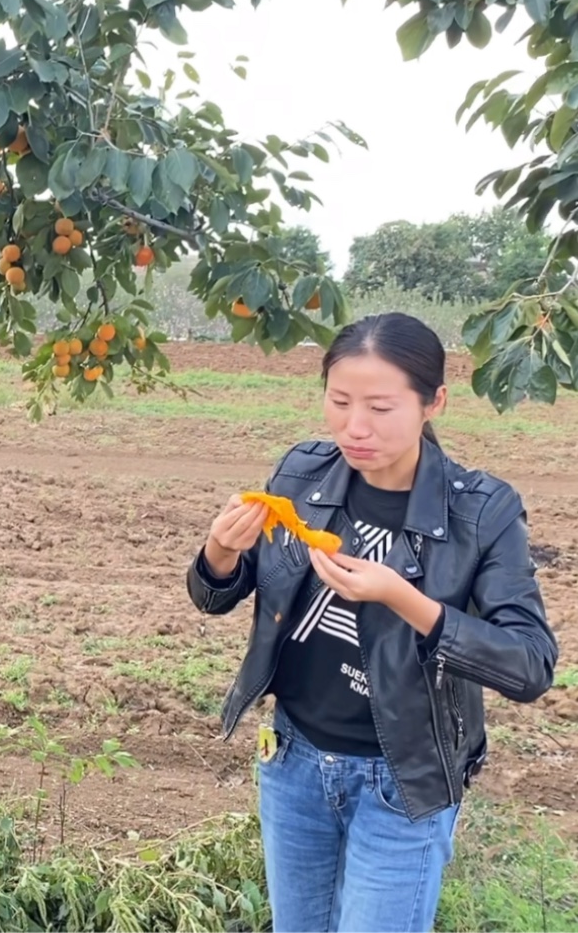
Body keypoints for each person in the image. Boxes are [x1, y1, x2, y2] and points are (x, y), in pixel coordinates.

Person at [187, 311, 559, 933]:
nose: (354, 428)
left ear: (433, 402)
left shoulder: (480, 510)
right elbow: (215, 595)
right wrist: (220, 552)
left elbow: (529, 665)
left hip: (403, 781)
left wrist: (402, 598)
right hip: (293, 762)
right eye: (339, 401)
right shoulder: (302, 474)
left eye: (381, 408)